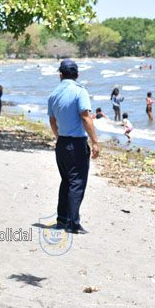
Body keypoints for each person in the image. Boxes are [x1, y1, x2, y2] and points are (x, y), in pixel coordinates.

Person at [48, 59, 100, 234]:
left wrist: (59, 137)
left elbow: (52, 121)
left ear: (60, 75)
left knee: (66, 181)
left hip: (62, 142)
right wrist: (95, 141)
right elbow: (85, 117)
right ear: (77, 75)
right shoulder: (80, 91)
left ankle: (62, 219)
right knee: (77, 183)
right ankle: (73, 223)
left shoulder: (53, 94)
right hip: (76, 143)